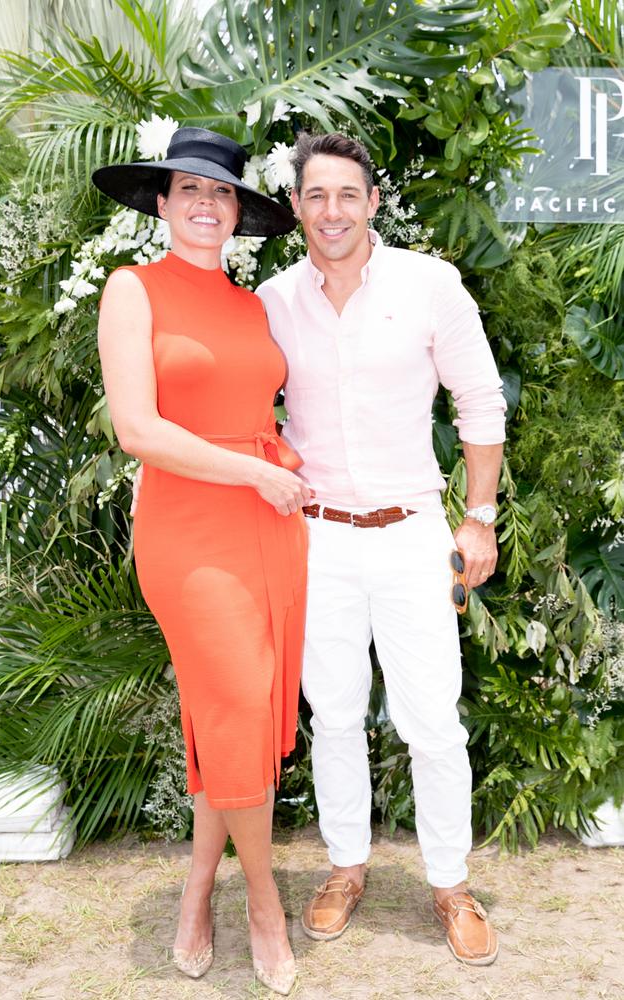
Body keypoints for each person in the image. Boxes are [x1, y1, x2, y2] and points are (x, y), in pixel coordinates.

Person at [256, 131, 506, 966]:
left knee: (431, 720)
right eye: (316, 196)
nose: (333, 211)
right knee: (332, 717)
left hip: (409, 536)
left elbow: (479, 400)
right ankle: (344, 869)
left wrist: (480, 516)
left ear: (373, 201)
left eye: (347, 195)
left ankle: (450, 884)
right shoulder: (273, 300)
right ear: (296, 207)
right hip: (316, 538)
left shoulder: (430, 285)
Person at [93, 127, 311, 996]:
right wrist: (255, 469)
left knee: (241, 716)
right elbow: (138, 431)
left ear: (236, 212)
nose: (205, 205)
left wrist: (282, 465)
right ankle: (261, 903)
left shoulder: (254, 306)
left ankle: (195, 887)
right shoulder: (131, 291)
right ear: (160, 201)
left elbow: (262, 405)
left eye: (221, 193)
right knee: (230, 705)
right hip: (190, 530)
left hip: (270, 529)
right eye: (189, 189)